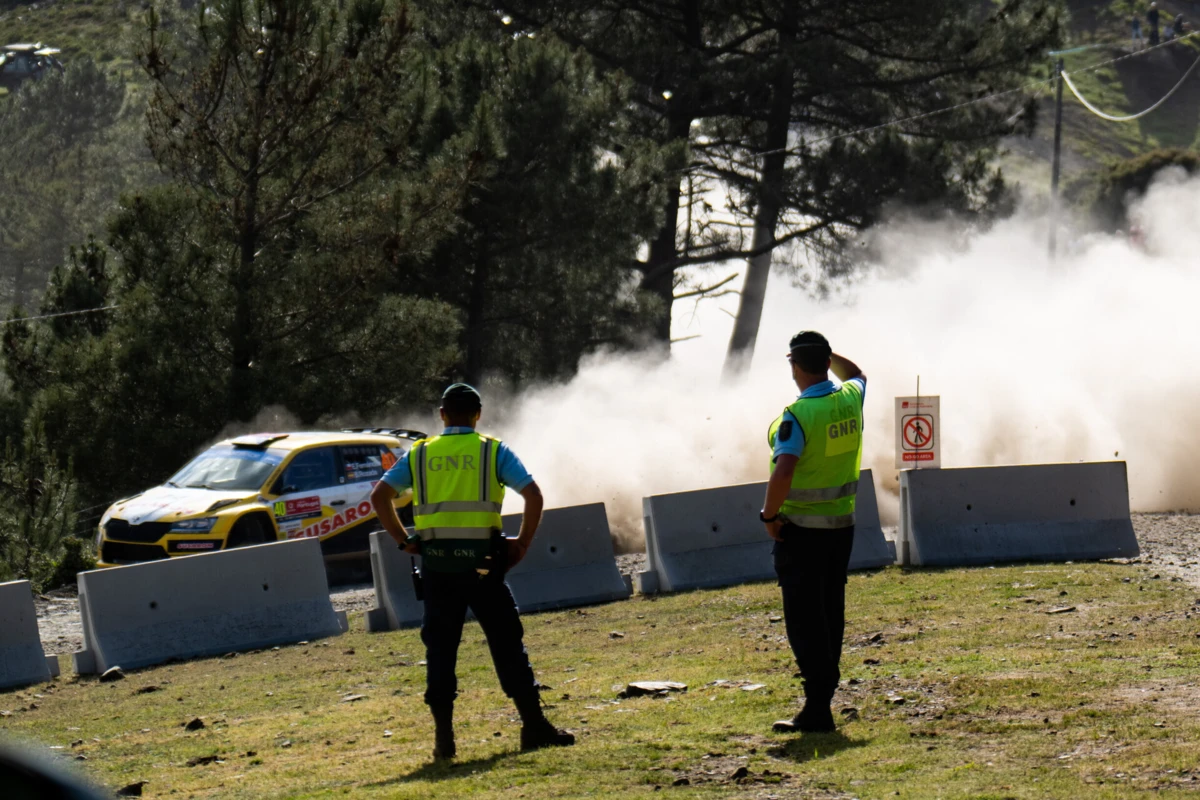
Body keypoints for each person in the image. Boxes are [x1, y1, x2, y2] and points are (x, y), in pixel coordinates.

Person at [370, 383, 574, 760]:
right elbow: (533, 495)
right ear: (477, 414)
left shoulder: (420, 454)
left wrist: (404, 541)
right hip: (485, 568)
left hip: (438, 568)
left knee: (441, 649)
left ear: (442, 415)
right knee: (507, 641)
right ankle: (533, 726)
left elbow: (379, 497)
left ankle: (444, 742)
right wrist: (523, 543)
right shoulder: (492, 450)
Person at [760, 331, 866, 734]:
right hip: (842, 528)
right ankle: (822, 699)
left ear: (794, 366)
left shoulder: (798, 415)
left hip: (800, 533)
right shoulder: (850, 397)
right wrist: (825, 355)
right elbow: (856, 373)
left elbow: (783, 471)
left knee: (805, 622)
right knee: (829, 613)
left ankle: (817, 705)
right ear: (824, 362)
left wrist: (769, 517)